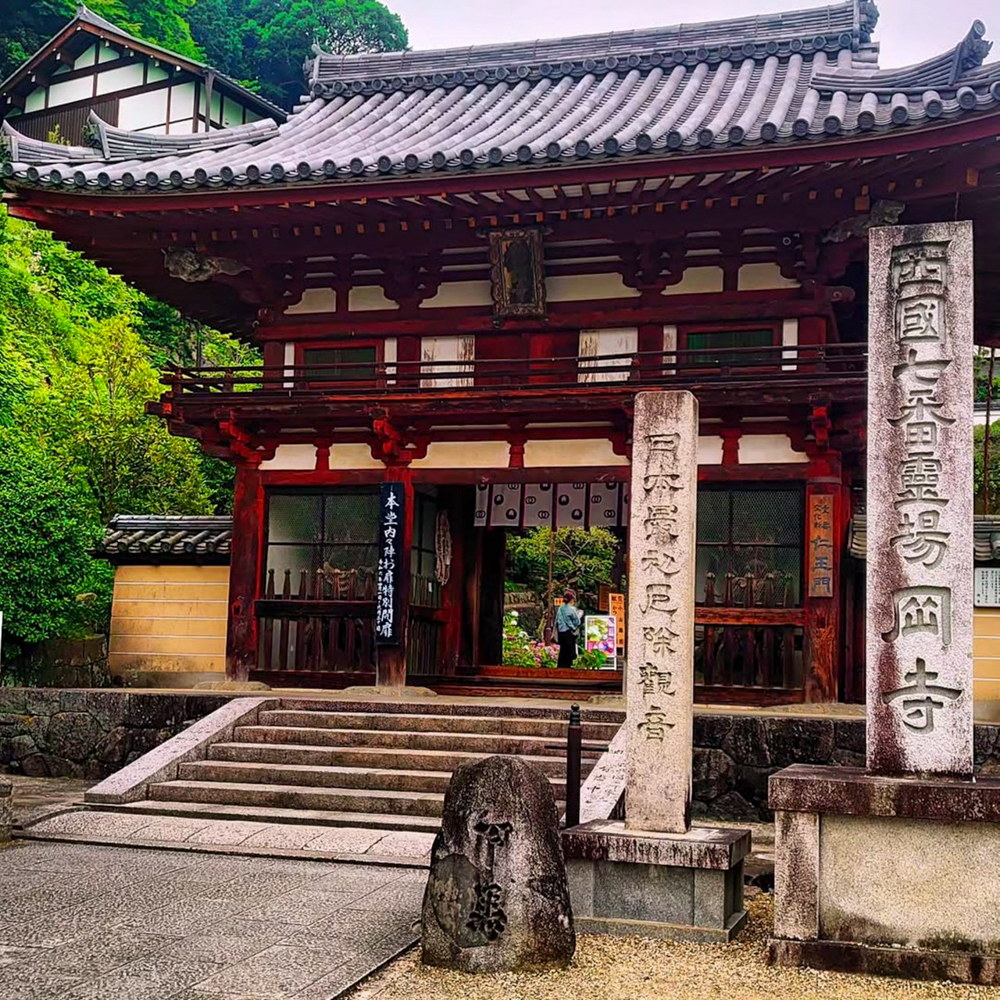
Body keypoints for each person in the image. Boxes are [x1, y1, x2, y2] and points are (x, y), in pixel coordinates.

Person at [555, 590, 582, 669]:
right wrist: (573, 626)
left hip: (561, 633)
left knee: (562, 651)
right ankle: (568, 668)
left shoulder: (560, 608)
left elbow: (557, 620)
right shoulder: (571, 609)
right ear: (571, 599)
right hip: (568, 633)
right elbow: (578, 621)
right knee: (569, 651)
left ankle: (560, 668)